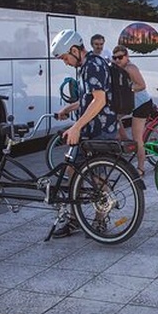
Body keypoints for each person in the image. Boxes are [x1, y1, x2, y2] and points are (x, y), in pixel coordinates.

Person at [50, 29, 119, 237]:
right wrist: (68, 109)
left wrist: (76, 127)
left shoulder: (92, 66)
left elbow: (100, 100)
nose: (65, 61)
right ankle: (75, 218)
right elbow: (88, 99)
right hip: (91, 130)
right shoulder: (86, 66)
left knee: (97, 179)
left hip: (99, 131)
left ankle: (100, 220)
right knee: (73, 171)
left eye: (64, 57)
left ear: (74, 50)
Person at [112, 45, 153, 175]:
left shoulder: (130, 68)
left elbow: (142, 85)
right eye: (115, 58)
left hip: (142, 104)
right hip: (131, 103)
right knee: (115, 118)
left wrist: (127, 90)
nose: (118, 60)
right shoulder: (119, 67)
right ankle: (126, 143)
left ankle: (141, 168)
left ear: (127, 56)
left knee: (137, 138)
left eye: (120, 57)